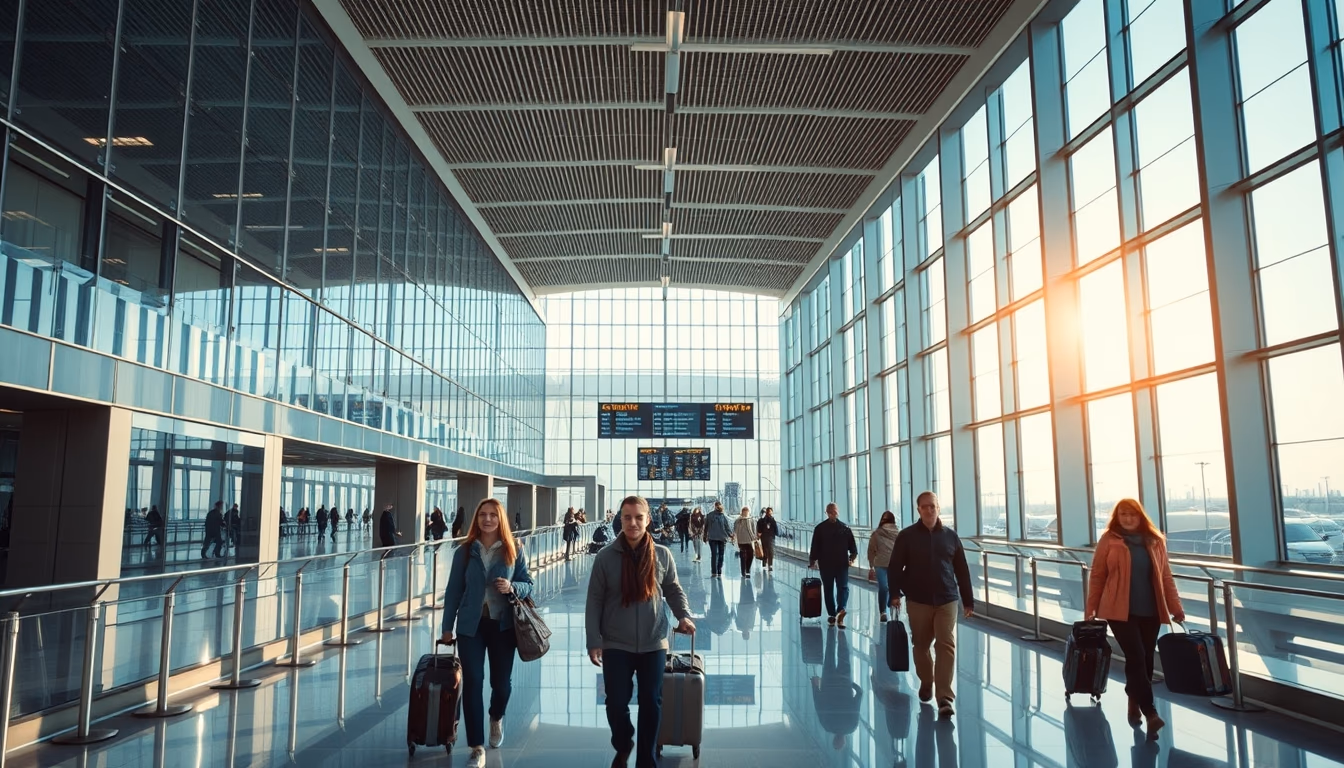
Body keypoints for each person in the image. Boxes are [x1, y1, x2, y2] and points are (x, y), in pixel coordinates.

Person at [586, 495, 695, 768]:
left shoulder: (662, 554)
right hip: (615, 643)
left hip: (653, 641)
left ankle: (646, 758)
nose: (633, 523)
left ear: (648, 520)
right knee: (615, 703)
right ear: (620, 520)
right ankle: (624, 742)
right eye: (627, 517)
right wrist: (594, 640)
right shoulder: (605, 557)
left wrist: (683, 615)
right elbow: (594, 600)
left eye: (638, 517)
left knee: (651, 701)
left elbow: (672, 589)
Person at [440, 498, 534, 768]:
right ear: (476, 518)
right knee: (473, 682)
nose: (488, 519)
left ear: (500, 518)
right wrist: (447, 627)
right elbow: (454, 591)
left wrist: (513, 586)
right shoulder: (465, 551)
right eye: (483, 514)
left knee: (501, 685)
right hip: (471, 626)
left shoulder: (513, 549)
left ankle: (496, 717)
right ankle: (476, 747)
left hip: (503, 625)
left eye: (493, 514)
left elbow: (529, 583)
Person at [1085, 498, 1185, 739]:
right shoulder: (1109, 540)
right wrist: (1091, 608)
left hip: (1150, 610)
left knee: (1146, 659)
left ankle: (1133, 696)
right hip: (1119, 611)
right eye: (1123, 515)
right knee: (1136, 655)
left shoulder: (1155, 541)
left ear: (1140, 516)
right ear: (1117, 518)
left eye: (1132, 515)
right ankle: (1151, 713)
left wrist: (1176, 607)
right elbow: (1098, 575)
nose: (1128, 519)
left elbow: (1166, 577)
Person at [888, 491, 973, 718]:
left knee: (946, 643)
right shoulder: (906, 536)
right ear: (918, 510)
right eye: (924, 507)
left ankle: (944, 696)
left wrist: (968, 599)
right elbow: (896, 567)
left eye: (932, 506)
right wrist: (894, 594)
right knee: (921, 645)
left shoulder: (950, 537)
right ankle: (927, 680)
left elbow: (962, 569)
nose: (929, 510)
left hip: (947, 599)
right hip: (918, 600)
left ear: (938, 508)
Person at [811, 627, 862, 753]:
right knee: (829, 653)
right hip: (828, 682)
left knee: (843, 653)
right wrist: (815, 685)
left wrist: (851, 685)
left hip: (844, 682)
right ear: (834, 739)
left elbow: (859, 696)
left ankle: (841, 631)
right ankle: (831, 627)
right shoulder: (826, 725)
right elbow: (818, 703)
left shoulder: (852, 726)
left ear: (844, 741)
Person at [809, 502, 858, 628]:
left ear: (837, 512)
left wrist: (852, 557)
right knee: (829, 588)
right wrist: (812, 560)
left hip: (841, 564)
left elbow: (853, 547)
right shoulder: (820, 529)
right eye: (830, 512)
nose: (832, 514)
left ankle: (840, 610)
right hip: (826, 564)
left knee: (843, 587)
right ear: (827, 513)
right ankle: (832, 613)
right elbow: (815, 546)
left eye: (834, 511)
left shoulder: (845, 528)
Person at [867, 511, 900, 622]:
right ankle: (886, 607)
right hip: (892, 564)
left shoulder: (876, 533)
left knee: (884, 587)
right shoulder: (898, 533)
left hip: (881, 564)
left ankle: (883, 611)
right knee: (891, 587)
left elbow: (871, 550)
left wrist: (871, 564)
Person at [704, 502, 733, 578]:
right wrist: (705, 536)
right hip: (714, 537)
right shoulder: (710, 515)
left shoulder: (722, 515)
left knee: (718, 554)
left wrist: (731, 535)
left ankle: (717, 571)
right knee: (716, 554)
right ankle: (715, 571)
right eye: (717, 505)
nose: (718, 507)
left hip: (720, 538)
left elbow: (726, 526)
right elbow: (706, 527)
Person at [733, 506, 758, 579]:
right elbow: (751, 530)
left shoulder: (739, 520)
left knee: (745, 556)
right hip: (746, 541)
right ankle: (746, 570)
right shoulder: (742, 520)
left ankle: (745, 570)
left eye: (746, 512)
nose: (746, 513)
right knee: (747, 556)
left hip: (744, 541)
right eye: (745, 512)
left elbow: (735, 530)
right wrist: (754, 538)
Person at [756, 507, 779, 572]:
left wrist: (759, 535)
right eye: (770, 511)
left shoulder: (761, 520)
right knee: (770, 551)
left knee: (765, 551)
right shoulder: (772, 519)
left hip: (764, 538)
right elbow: (776, 529)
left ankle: (765, 564)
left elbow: (759, 529)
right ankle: (770, 565)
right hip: (770, 538)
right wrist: (776, 533)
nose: (770, 513)